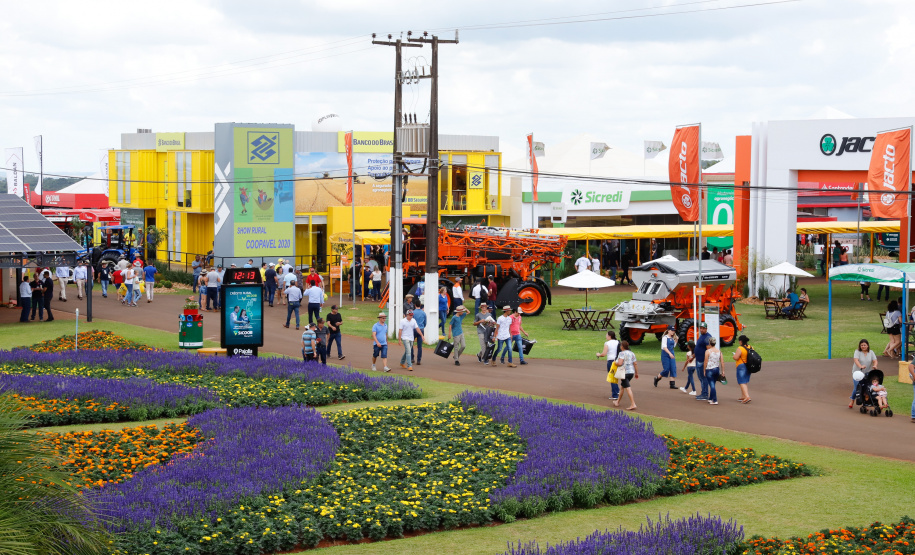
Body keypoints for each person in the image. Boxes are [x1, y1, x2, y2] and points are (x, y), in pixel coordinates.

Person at [851, 339, 878, 408]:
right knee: (857, 388)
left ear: (867, 346)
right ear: (860, 346)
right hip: (857, 373)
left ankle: (864, 404)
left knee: (866, 388)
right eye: (862, 345)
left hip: (867, 373)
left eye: (864, 345)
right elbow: (856, 360)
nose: (863, 346)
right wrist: (861, 366)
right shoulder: (857, 352)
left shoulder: (871, 352)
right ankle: (852, 400)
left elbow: (875, 360)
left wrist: (875, 365)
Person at [596, 330, 621, 401]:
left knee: (612, 378)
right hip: (617, 361)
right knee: (615, 376)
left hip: (611, 361)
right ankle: (617, 391)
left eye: (606, 335)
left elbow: (603, 354)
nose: (606, 336)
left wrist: (598, 354)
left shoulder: (607, 343)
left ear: (609, 336)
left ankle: (615, 394)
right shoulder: (618, 342)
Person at [613, 340, 639, 410]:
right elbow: (635, 363)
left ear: (622, 346)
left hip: (624, 372)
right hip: (631, 372)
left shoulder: (622, 353)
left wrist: (615, 363)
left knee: (627, 388)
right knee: (622, 387)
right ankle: (617, 402)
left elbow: (620, 363)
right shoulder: (632, 353)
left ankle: (633, 404)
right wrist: (636, 373)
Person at [733, 335, 753, 404]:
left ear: (741, 341)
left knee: (741, 382)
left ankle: (747, 396)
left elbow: (736, 357)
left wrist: (734, 355)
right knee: (745, 381)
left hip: (741, 366)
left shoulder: (740, 348)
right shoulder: (750, 347)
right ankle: (743, 396)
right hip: (748, 366)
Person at [694, 322, 712, 401]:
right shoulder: (702, 336)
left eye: (703, 328)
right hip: (698, 360)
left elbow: (709, 350)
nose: (701, 329)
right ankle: (703, 393)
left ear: (706, 329)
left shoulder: (707, 337)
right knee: (701, 377)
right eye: (700, 328)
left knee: (703, 377)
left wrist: (706, 361)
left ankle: (705, 394)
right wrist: (693, 356)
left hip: (702, 361)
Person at [704, 336, 723, 405]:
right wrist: (723, 371)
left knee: (712, 385)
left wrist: (704, 370)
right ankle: (710, 398)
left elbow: (705, 362)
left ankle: (715, 400)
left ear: (710, 343)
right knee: (713, 384)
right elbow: (722, 362)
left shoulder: (708, 351)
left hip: (709, 369)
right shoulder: (719, 351)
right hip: (716, 369)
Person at [412, 301, 427, 366]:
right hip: (421, 329)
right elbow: (425, 322)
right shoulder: (423, 313)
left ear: (415, 305)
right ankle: (419, 360)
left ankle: (412, 358)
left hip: (414, 329)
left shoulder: (413, 312)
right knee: (419, 346)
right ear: (420, 305)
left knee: (411, 344)